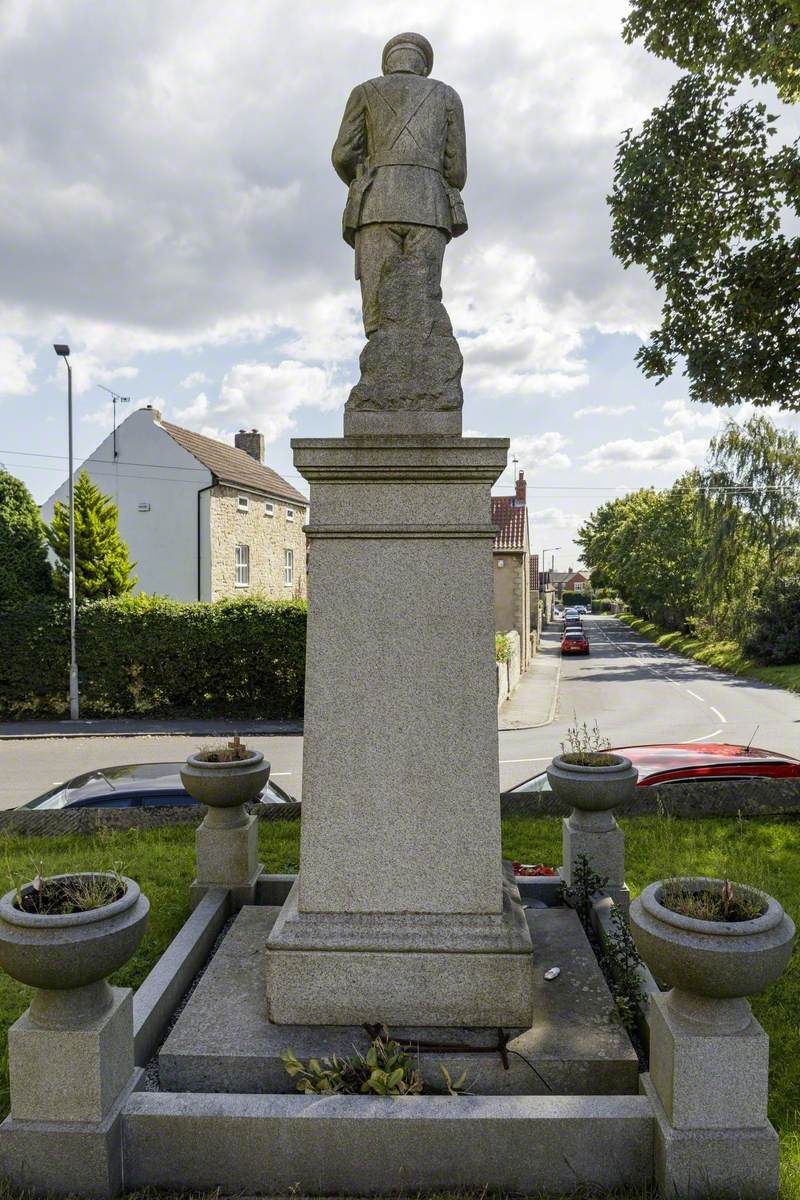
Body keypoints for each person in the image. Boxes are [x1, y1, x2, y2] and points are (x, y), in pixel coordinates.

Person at [332, 32, 467, 336]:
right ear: (423, 66)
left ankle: (379, 376)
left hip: (375, 205)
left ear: (387, 64)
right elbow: (456, 172)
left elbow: (342, 154)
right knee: (425, 308)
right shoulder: (448, 96)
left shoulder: (363, 92)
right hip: (430, 209)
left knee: (378, 316)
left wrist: (368, 175)